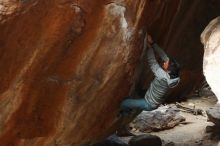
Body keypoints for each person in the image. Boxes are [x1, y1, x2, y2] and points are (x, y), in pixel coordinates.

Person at [120, 34, 181, 117]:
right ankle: (137, 100)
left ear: (168, 69)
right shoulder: (175, 77)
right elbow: (164, 56)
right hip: (154, 99)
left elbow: (152, 62)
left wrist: (149, 48)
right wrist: (152, 43)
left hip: (148, 104)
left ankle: (125, 113)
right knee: (139, 91)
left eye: (166, 63)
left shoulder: (162, 77)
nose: (164, 62)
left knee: (125, 103)